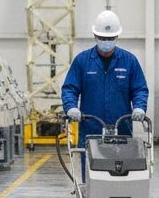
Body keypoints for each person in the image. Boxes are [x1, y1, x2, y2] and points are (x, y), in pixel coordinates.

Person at [62, 10, 149, 158]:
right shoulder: (82, 61)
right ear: (95, 36)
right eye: (103, 37)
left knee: (121, 173)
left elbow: (139, 89)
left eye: (110, 38)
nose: (106, 42)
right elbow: (70, 88)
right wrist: (71, 108)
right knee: (91, 176)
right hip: (91, 131)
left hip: (122, 131)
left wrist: (140, 107)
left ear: (117, 36)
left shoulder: (129, 61)